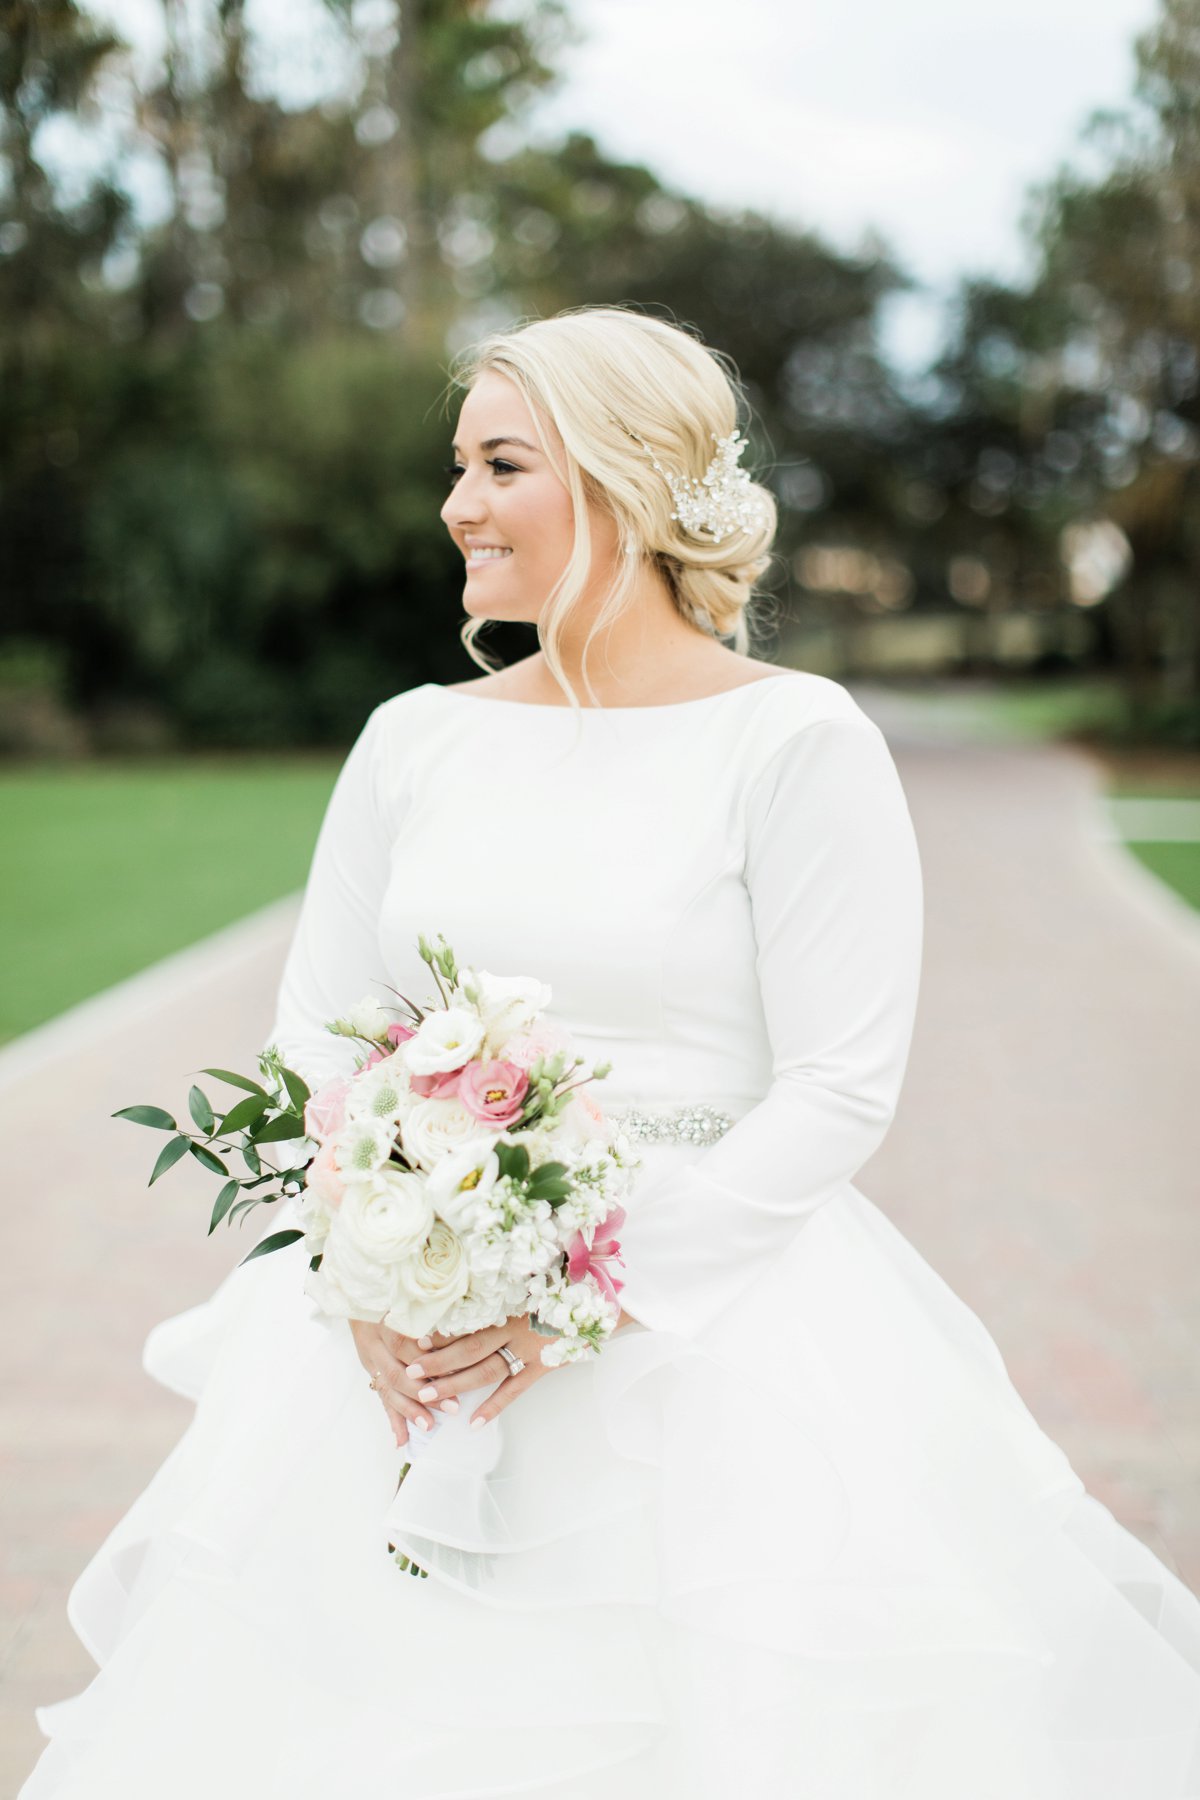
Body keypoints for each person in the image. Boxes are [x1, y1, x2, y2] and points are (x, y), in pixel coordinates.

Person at [19, 305, 1200, 1798]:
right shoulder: (410, 743)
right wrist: (360, 1272)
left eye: (501, 463)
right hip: (402, 1366)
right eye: (458, 465)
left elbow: (839, 1086)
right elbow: (313, 1037)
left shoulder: (795, 743)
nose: (456, 504)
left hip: (719, 1358)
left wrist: (570, 1303)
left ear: (628, 483)